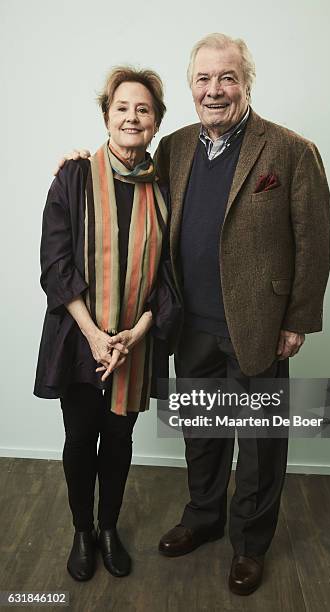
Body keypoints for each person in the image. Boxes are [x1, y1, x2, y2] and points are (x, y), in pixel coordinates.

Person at [57, 32, 330, 596]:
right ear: (190, 87)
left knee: (258, 442)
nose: (214, 90)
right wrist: (78, 158)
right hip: (190, 326)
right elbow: (122, 173)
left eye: (226, 77)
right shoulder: (175, 148)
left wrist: (297, 320)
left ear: (246, 83)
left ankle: (250, 544)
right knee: (203, 433)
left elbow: (315, 242)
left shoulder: (289, 151)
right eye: (203, 79)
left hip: (259, 326)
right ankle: (204, 517)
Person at [34, 66, 169, 582]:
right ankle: (81, 531)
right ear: (106, 115)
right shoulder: (73, 176)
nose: (132, 117)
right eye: (122, 108)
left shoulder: (162, 187)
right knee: (79, 438)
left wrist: (135, 335)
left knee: (118, 441)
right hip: (79, 339)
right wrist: (95, 335)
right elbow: (55, 263)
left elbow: (170, 275)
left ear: (156, 122)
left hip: (134, 344)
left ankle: (109, 527)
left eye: (143, 109)